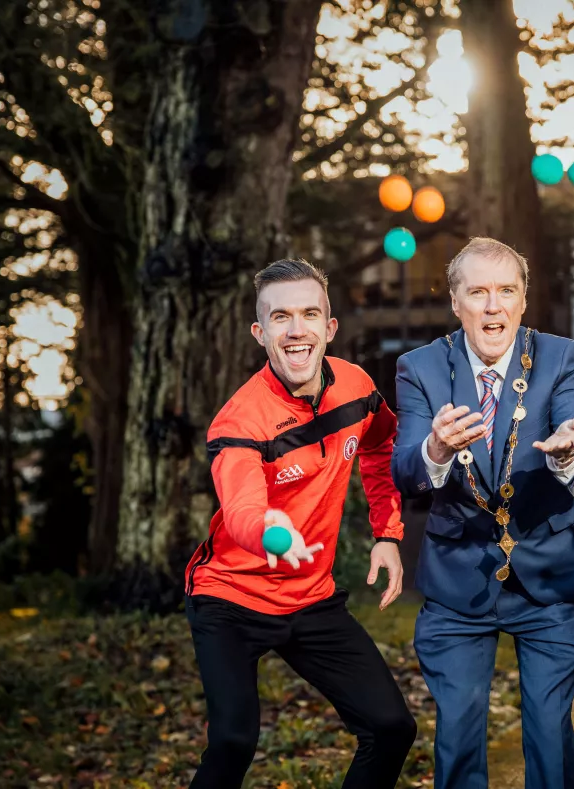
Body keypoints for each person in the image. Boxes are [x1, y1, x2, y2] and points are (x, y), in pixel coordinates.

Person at [183, 258, 416, 789]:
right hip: (231, 598)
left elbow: (381, 448)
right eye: (280, 317)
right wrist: (273, 533)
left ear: (329, 328)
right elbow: (241, 506)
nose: (296, 329)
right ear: (260, 332)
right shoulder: (240, 420)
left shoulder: (356, 386)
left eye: (309, 313)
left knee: (391, 727)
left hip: (310, 595)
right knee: (234, 742)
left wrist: (387, 534)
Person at [391, 237, 574, 789]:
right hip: (458, 579)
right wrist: (436, 449)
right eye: (479, 292)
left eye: (506, 291)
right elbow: (406, 470)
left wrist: (569, 451)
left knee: (549, 734)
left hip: (549, 572)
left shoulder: (560, 356)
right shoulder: (419, 368)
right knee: (458, 734)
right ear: (456, 302)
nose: (494, 306)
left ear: (524, 299)